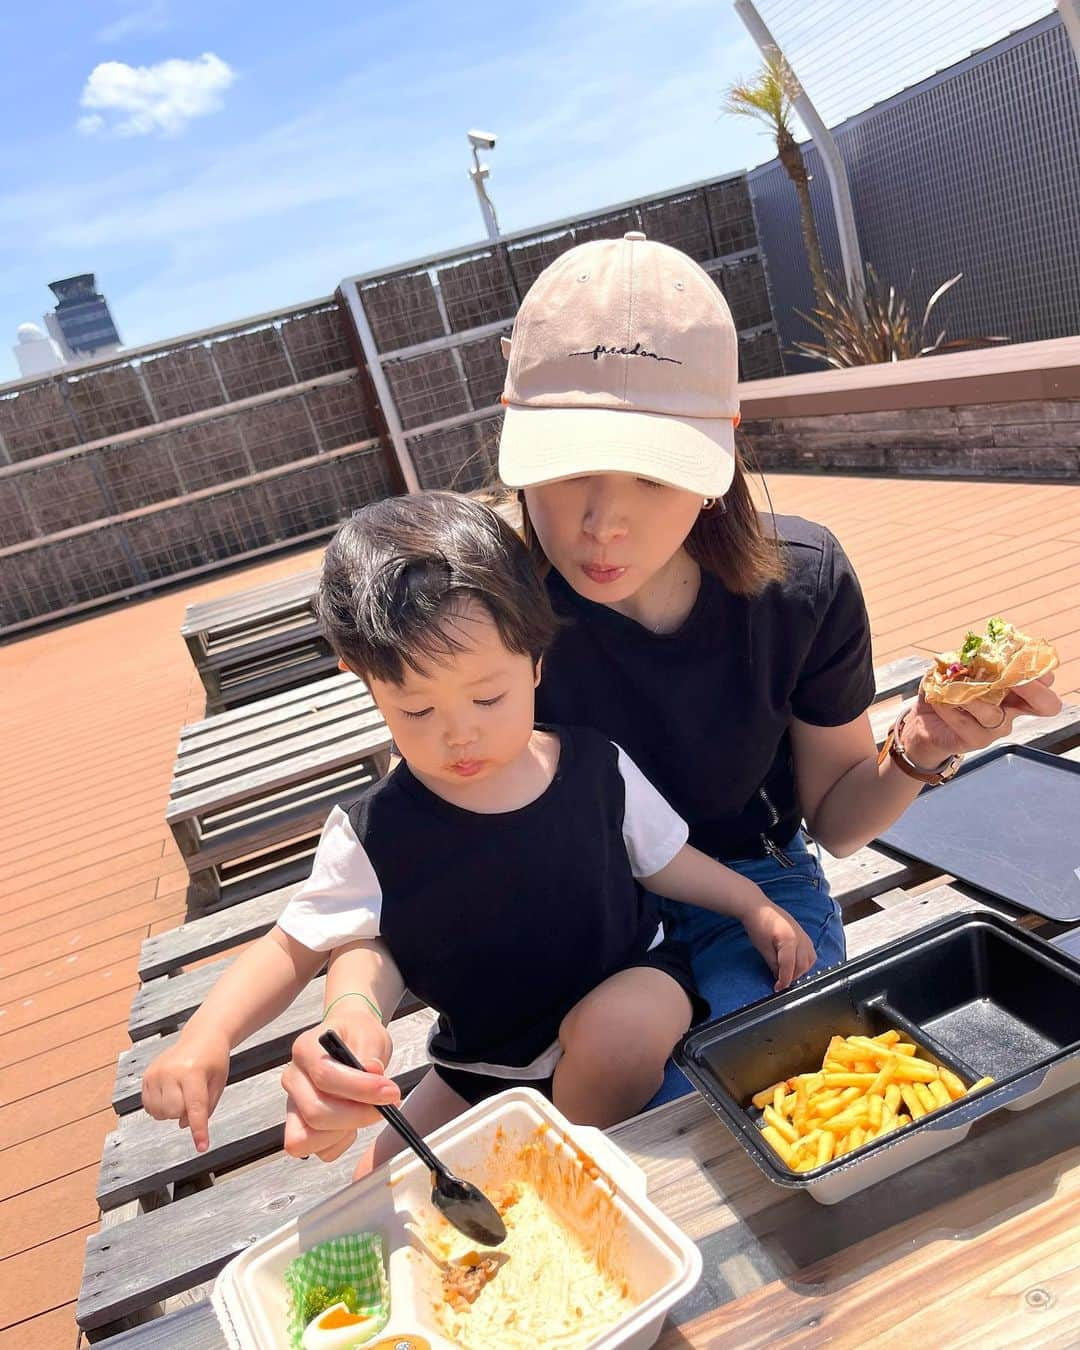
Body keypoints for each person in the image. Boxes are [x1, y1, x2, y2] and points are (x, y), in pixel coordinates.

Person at [282, 231, 1060, 1156]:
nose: (604, 522)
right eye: (570, 470)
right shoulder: (488, 607)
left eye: (653, 475)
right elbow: (421, 848)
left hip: (757, 893)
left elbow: (839, 823)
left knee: (747, 1112)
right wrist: (350, 1012)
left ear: (718, 456)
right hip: (571, 911)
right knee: (446, 1162)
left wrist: (927, 737)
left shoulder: (798, 586)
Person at [142, 491, 817, 1171]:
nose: (459, 731)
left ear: (536, 659)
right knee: (385, 1179)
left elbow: (666, 860)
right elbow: (290, 949)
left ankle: (560, 1170)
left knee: (618, 1033)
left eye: (488, 698)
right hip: (489, 1056)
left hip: (635, 981)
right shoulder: (373, 831)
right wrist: (208, 1034)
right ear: (366, 682)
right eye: (416, 709)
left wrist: (751, 903)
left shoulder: (594, 767)